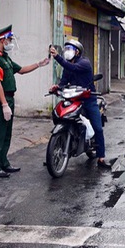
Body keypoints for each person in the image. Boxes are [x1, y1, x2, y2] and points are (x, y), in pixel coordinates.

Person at [0, 25, 50, 179]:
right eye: (9, 39)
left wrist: (39, 64)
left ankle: (4, 163)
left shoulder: (5, 58)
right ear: (2, 40)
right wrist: (4, 104)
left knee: (7, 134)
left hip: (9, 99)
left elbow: (20, 70)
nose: (10, 43)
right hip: (0, 101)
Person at [48, 39, 110, 169]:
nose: (67, 52)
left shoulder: (84, 63)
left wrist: (57, 57)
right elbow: (64, 81)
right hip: (74, 98)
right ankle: (54, 150)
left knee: (98, 128)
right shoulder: (67, 67)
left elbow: (71, 67)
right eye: (66, 49)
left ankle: (101, 157)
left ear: (77, 52)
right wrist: (57, 87)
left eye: (70, 49)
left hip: (88, 99)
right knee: (60, 115)